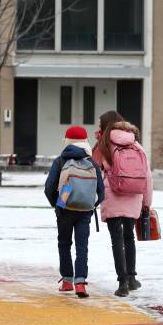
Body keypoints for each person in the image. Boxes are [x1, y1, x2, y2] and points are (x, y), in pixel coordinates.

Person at [93, 115, 153, 297]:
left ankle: (122, 283)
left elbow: (93, 170)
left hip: (112, 195)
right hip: (133, 195)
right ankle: (132, 278)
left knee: (116, 240)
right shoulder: (137, 146)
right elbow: (148, 177)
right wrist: (146, 204)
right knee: (129, 237)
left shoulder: (104, 146)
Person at [44, 126, 105, 298]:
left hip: (64, 209)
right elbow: (101, 192)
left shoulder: (60, 161)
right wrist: (91, 204)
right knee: (82, 246)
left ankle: (67, 281)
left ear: (66, 141)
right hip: (84, 210)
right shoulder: (91, 163)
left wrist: (57, 204)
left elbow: (49, 188)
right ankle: (80, 283)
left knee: (64, 244)